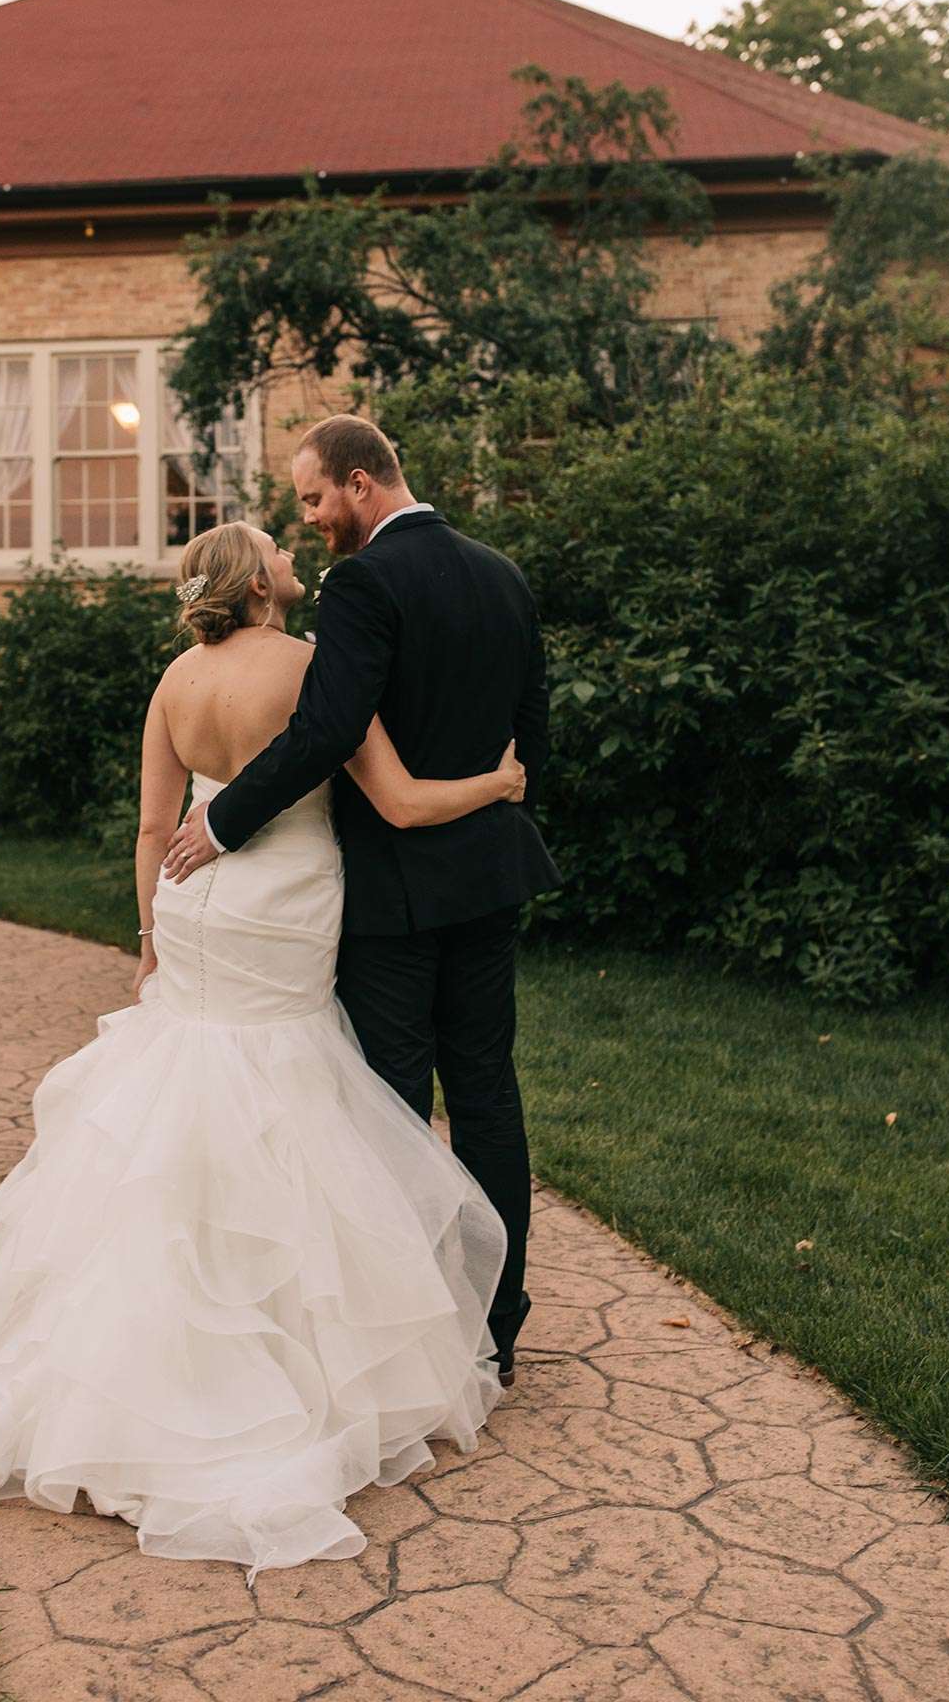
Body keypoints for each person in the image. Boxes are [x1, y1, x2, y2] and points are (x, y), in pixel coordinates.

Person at [0, 514, 529, 1583]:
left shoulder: (175, 680)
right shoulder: (312, 664)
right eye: (277, 550)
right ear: (256, 585)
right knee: (286, 1084)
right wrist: (500, 784)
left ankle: (147, 1344)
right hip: (282, 904)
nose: (294, 554)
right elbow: (395, 800)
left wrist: (150, 935)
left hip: (194, 907)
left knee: (190, 1086)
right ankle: (293, 1354)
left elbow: (153, 829)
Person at [163, 415, 561, 1386]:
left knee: (390, 1108)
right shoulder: (502, 574)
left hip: (391, 896)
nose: (309, 519)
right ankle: (498, 1326)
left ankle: (412, 1335)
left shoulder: (362, 584)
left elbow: (326, 728)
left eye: (313, 498)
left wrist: (222, 821)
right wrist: (499, 799)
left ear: (358, 483)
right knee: (487, 1095)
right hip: (489, 875)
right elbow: (532, 733)